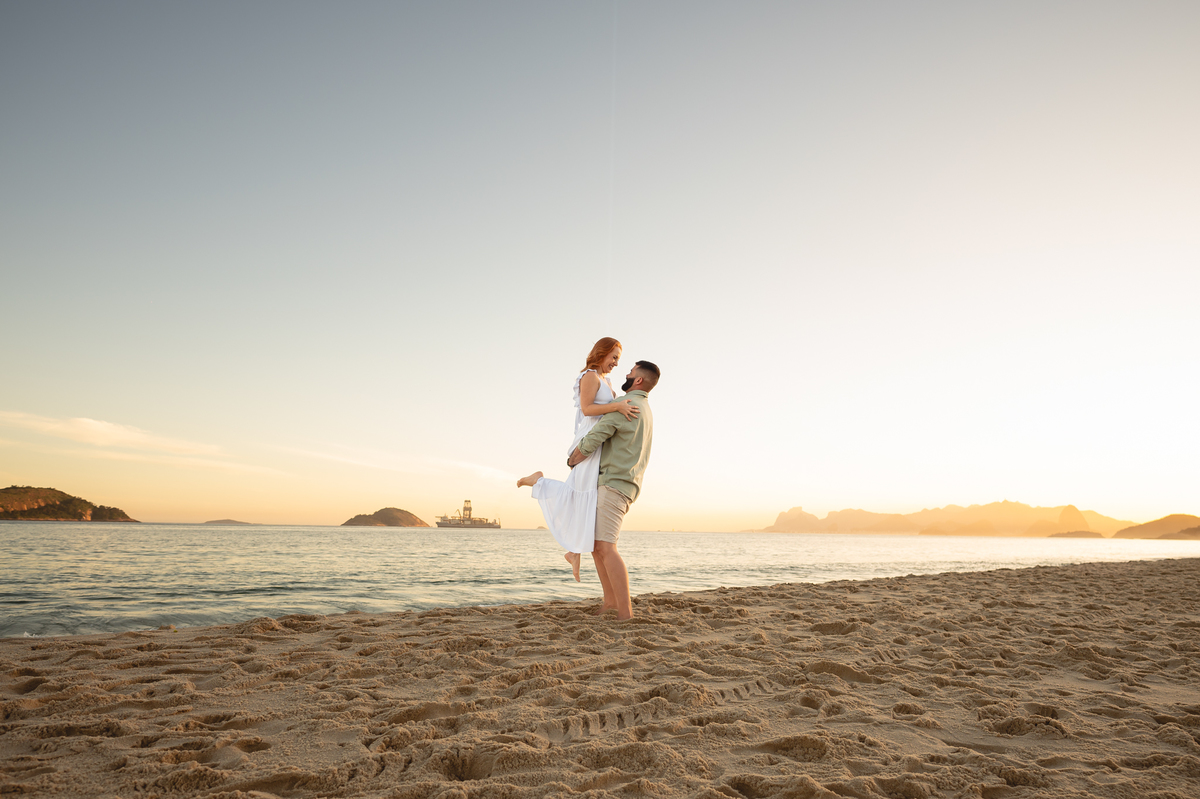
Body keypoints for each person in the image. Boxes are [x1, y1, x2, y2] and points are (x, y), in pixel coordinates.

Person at [516, 338, 640, 581]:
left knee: (584, 495)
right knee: (580, 494)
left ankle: (574, 551)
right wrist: (616, 408)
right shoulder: (590, 376)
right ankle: (539, 481)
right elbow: (587, 409)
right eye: (613, 356)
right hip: (589, 438)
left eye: (618, 358)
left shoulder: (606, 380)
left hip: (599, 441)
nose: (616, 362)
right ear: (601, 353)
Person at [566, 359, 658, 620]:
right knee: (597, 546)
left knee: (607, 547)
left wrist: (573, 459)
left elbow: (597, 436)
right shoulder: (645, 408)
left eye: (630, 373)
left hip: (613, 484)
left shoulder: (626, 406)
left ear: (638, 380)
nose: (626, 374)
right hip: (625, 484)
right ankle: (610, 602)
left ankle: (625, 612)